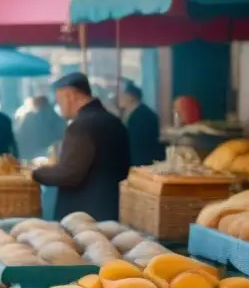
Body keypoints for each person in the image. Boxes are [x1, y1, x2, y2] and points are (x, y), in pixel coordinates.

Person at [33, 72, 130, 221]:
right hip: (112, 208)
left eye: (59, 101)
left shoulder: (81, 126)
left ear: (70, 96)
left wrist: (35, 174)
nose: (59, 107)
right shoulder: (113, 121)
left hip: (84, 215)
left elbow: (70, 173)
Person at [119, 81, 164, 166]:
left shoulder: (142, 116)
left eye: (122, 95)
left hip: (142, 164)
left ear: (130, 97)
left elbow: (137, 144)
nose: (119, 98)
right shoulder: (140, 112)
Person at [14, 94, 66, 161]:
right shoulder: (57, 117)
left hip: (32, 154)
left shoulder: (29, 117)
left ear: (35, 105)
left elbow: (21, 137)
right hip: (51, 154)